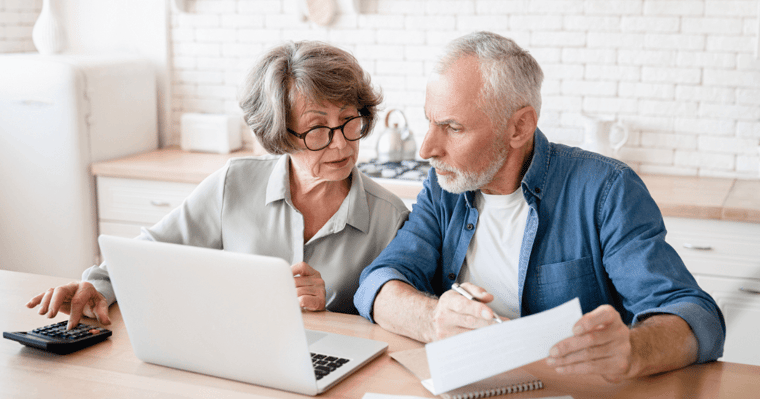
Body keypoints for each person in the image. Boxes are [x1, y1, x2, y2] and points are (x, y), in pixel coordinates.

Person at [354, 31, 725, 382]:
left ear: (519, 127)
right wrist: (433, 318)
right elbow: (378, 282)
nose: (426, 150)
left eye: (452, 127)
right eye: (429, 122)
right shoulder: (444, 186)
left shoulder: (605, 189)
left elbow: (696, 315)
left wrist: (634, 349)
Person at [27, 41, 409, 329]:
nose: (342, 143)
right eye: (317, 129)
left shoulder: (390, 219)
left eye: (349, 120)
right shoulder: (235, 183)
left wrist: (329, 310)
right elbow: (150, 254)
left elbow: (393, 328)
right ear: (281, 134)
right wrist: (95, 287)